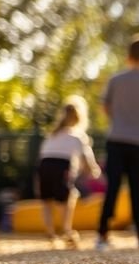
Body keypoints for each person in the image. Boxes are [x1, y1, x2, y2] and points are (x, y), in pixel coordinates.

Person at [97, 33, 139, 251]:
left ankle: (102, 235)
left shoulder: (116, 80)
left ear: (129, 55)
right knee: (138, 188)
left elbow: (105, 108)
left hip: (116, 138)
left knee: (113, 188)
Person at [37, 96, 101, 248]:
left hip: (44, 166)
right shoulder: (78, 136)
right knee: (68, 197)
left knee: (47, 200)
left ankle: (51, 232)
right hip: (61, 166)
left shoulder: (52, 134)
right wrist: (94, 171)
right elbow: (87, 158)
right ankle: (67, 230)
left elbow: (42, 155)